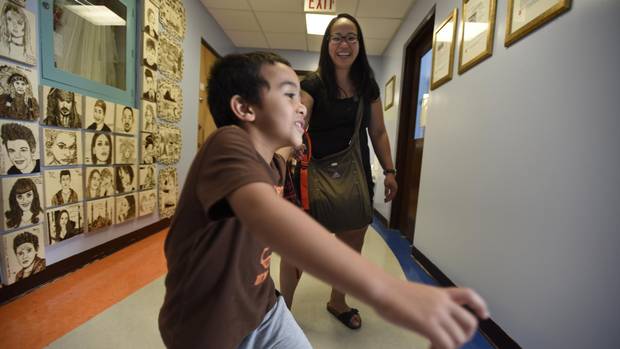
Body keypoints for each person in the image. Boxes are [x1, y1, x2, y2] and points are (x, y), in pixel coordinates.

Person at [158, 52, 488, 349]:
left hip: (263, 307)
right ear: (244, 108)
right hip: (206, 325)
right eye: (288, 94)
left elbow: (286, 154)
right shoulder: (226, 144)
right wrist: (390, 292)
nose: (301, 104)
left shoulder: (273, 160)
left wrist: (294, 145)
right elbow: (267, 215)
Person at [280, 15, 399, 329]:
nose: (344, 44)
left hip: (354, 175)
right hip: (309, 175)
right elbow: (299, 117)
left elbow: (379, 132)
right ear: (327, 43)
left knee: (351, 243)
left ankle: (337, 300)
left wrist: (390, 170)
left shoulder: (367, 87)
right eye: (337, 37)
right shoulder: (312, 84)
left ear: (359, 44)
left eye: (351, 37)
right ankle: (283, 313)